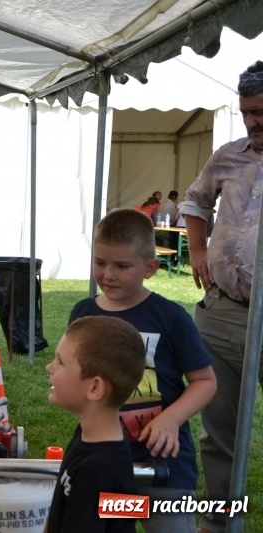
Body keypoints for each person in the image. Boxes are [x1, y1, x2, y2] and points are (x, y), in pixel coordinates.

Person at [69, 208, 216, 533]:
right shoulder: (84, 314)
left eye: (122, 266)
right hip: (100, 462)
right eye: (100, 262)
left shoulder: (171, 318)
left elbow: (205, 381)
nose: (108, 274)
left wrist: (171, 418)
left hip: (165, 466)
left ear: (150, 268)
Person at [181, 60, 263, 533]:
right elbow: (194, 200)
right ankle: (218, 520)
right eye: (246, 111)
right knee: (219, 427)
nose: (253, 121)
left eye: (261, 111)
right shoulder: (229, 155)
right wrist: (195, 248)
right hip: (223, 313)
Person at [45, 315, 147, 533]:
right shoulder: (86, 433)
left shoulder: (101, 470)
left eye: (60, 362)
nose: (49, 367)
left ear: (94, 388)